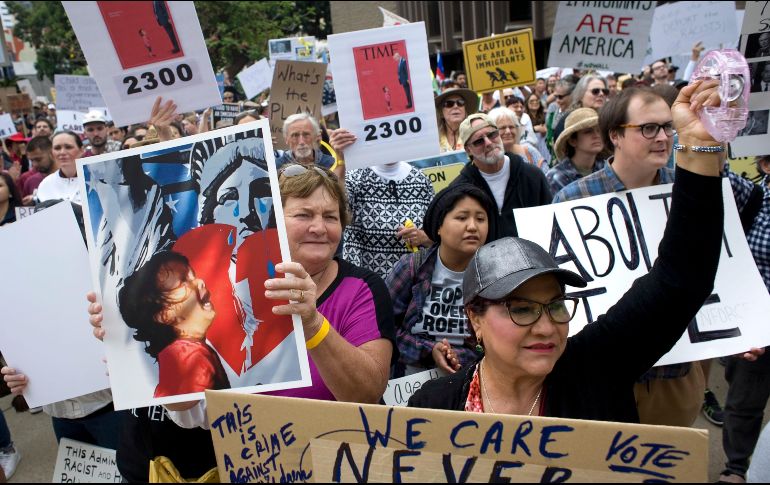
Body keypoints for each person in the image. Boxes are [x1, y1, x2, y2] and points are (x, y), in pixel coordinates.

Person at [408, 79, 762, 422]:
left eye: (556, 305)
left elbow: (680, 279)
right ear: (475, 318)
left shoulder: (596, 368)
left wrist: (698, 148)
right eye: (521, 309)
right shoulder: (433, 407)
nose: (546, 327)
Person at [85, 163, 397, 479]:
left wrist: (313, 324)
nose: (319, 227)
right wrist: (133, 350)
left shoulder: (361, 288)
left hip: (345, 465)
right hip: (261, 467)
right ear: (274, 220)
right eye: (304, 215)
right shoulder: (226, 292)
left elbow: (366, 395)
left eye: (331, 217)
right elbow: (198, 413)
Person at [553, 87, 706, 427]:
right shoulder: (572, 199)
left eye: (667, 126)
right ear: (615, 136)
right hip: (600, 375)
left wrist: (746, 330)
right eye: (648, 128)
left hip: (675, 373)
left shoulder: (690, 191)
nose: (663, 137)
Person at [387, 183, 494, 376]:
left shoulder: (494, 276)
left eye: (480, 219)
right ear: (438, 227)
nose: (472, 226)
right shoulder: (411, 267)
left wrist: (458, 357)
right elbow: (384, 327)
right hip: (410, 381)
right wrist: (430, 350)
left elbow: (498, 340)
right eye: (461, 218)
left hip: (471, 380)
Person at [719, 154, 770, 484]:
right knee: (743, 402)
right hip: (757, 324)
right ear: (766, 165)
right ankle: (736, 468)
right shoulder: (752, 197)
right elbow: (711, 168)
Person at [118, 251, 230, 398]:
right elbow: (187, 404)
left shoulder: (181, 353)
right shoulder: (190, 355)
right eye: (183, 281)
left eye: (193, 276)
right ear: (165, 315)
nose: (200, 282)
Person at [451, 113, 551, 241]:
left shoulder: (533, 176)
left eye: (492, 135)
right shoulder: (460, 189)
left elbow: (550, 225)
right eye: (478, 141)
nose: (488, 143)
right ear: (468, 150)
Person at [342, 159, 434, 280]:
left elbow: (438, 233)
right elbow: (337, 210)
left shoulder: (421, 180)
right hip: (366, 283)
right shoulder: (354, 178)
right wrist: (341, 161)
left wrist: (422, 237)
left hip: (412, 282)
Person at [547, 108, 606, 196]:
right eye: (588, 131)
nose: (597, 135)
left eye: (599, 130)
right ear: (572, 141)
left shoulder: (607, 168)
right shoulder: (556, 177)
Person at [487, 107, 547, 174]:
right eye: (502, 128)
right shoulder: (487, 157)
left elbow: (547, 176)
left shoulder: (529, 151)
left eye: (511, 127)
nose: (508, 131)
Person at [552, 74, 609, 141]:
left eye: (605, 91)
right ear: (581, 94)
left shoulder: (609, 118)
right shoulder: (569, 119)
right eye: (595, 91)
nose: (601, 94)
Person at [36, 131, 83, 204]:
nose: (62, 152)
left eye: (68, 147)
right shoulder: (46, 184)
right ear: (52, 153)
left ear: (81, 150)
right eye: (57, 148)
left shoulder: (95, 180)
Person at [435, 88, 478, 153]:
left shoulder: (476, 134)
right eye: (449, 104)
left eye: (460, 102)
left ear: (465, 110)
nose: (455, 106)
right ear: (441, 113)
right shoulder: (434, 141)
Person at [17, 136, 55, 205]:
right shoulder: (30, 181)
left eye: (38, 159)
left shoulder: (69, 175)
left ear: (52, 153)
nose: (34, 164)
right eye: (31, 160)